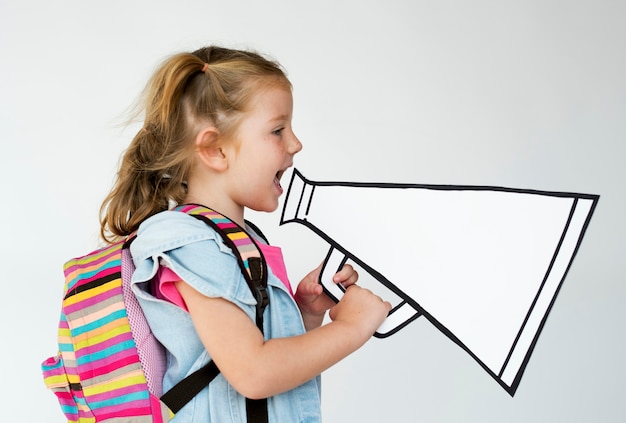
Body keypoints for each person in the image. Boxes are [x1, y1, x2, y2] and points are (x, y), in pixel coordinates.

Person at [99, 45, 391, 422]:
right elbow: (253, 373)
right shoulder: (193, 245)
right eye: (277, 130)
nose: (295, 144)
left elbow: (249, 356)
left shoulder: (235, 241)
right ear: (215, 149)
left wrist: (304, 313)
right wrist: (353, 328)